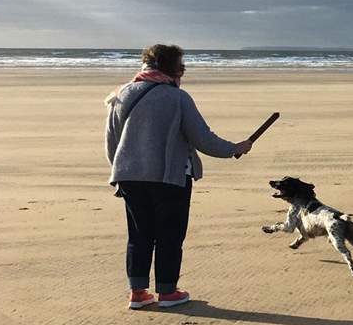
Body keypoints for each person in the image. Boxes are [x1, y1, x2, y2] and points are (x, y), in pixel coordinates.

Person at [105, 44, 253, 310]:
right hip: (169, 177)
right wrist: (233, 149)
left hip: (130, 176)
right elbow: (202, 138)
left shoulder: (122, 93)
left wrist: (118, 174)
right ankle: (167, 291)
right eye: (181, 66)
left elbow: (112, 140)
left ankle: (137, 293)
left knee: (138, 236)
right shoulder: (177, 98)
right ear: (174, 68)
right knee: (169, 235)